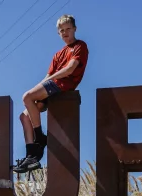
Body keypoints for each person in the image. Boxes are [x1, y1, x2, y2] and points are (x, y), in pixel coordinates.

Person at [12, 14, 89, 174]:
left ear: (75, 29)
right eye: (62, 31)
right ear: (58, 33)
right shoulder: (58, 54)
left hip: (63, 85)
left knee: (27, 97)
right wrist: (39, 87)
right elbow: (47, 77)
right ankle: (32, 154)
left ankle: (40, 138)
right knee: (24, 116)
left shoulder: (80, 46)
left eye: (68, 29)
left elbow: (70, 69)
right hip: (52, 85)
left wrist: (42, 86)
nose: (65, 33)